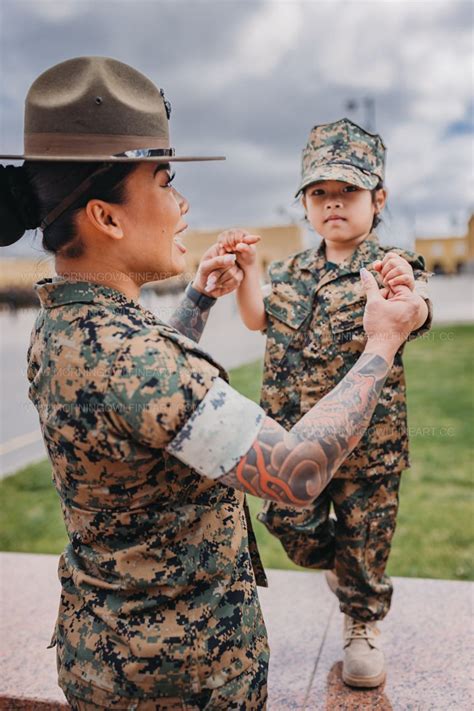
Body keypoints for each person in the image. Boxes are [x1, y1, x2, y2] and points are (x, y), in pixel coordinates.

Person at [0, 59, 426, 710]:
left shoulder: (63, 324)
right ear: (106, 217)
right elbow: (296, 472)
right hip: (184, 679)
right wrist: (381, 345)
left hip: (103, 655)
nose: (183, 204)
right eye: (165, 182)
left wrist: (197, 299)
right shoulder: (141, 360)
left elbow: (144, 398)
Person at [216, 118, 433, 690]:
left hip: (370, 445)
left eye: (348, 192)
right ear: (304, 203)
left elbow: (417, 306)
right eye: (319, 193)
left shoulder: (391, 263)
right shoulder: (290, 270)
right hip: (297, 443)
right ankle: (343, 571)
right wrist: (248, 273)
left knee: (366, 538)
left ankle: (362, 619)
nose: (332, 204)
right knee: (293, 527)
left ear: (378, 198)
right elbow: (258, 319)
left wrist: (406, 290)